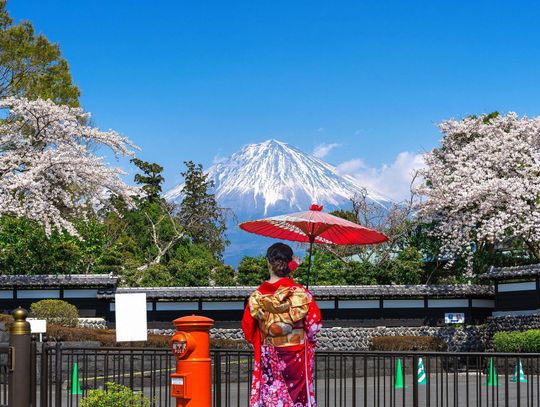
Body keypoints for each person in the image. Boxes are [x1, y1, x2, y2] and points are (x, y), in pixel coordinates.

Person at [241, 242, 322, 407]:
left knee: (271, 395)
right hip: (296, 356)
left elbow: (248, 330)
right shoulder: (300, 293)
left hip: (269, 353)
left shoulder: (257, 296)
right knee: (297, 399)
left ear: (268, 263)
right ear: (289, 263)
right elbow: (314, 326)